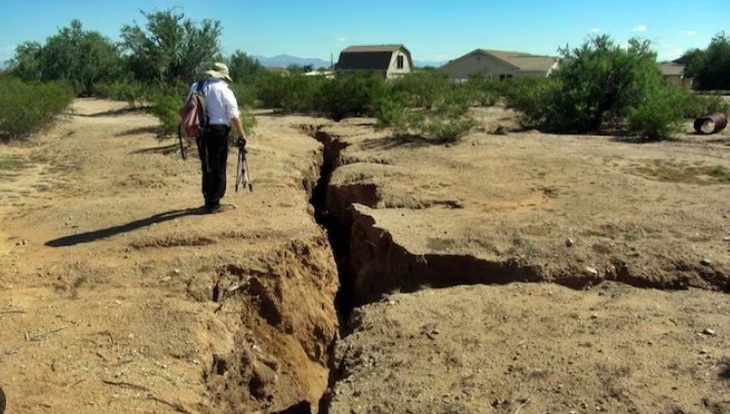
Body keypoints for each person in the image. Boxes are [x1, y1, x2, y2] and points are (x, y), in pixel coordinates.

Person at [187, 62, 247, 214]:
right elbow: (233, 115)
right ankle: (214, 203)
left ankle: (208, 199)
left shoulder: (196, 86)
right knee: (218, 165)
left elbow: (189, 106)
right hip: (218, 131)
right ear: (223, 75)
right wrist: (242, 135)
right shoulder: (224, 90)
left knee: (206, 164)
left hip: (201, 130)